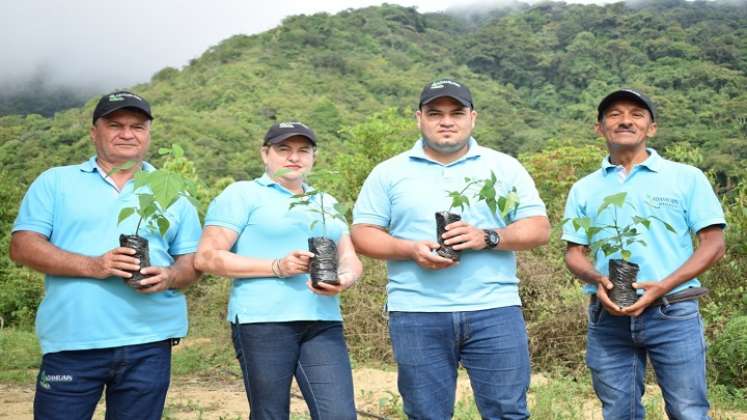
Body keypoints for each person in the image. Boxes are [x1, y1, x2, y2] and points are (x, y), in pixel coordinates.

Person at [351, 79, 550, 419]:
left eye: (456, 113)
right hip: (416, 312)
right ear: (419, 118)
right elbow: (363, 233)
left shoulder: (503, 167)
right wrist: (410, 249)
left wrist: (488, 237)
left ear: (472, 118)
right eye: (435, 113)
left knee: (507, 411)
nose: (446, 121)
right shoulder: (389, 172)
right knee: (426, 413)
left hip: (495, 309)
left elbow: (538, 228)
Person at [10, 90, 202, 420]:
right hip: (72, 340)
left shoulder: (173, 191)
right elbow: (23, 245)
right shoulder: (56, 182)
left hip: (149, 341)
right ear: (94, 132)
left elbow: (191, 263)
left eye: (137, 126)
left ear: (148, 134)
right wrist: (94, 265)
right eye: (115, 125)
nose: (127, 134)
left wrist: (169, 276)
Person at [562, 88, 726, 419]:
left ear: (651, 127)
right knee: (619, 412)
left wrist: (662, 286)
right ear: (600, 128)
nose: (625, 121)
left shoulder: (686, 178)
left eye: (637, 114)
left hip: (673, 311)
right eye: (615, 114)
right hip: (607, 316)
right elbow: (574, 253)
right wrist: (598, 280)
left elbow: (714, 243)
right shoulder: (584, 188)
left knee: (688, 410)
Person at [194, 121, 362, 420]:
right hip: (263, 322)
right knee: (270, 413)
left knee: (338, 414)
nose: (293, 157)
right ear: (265, 154)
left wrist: (345, 278)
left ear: (314, 156)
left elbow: (349, 256)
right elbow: (206, 257)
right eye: (283, 149)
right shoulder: (242, 194)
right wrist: (277, 266)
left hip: (322, 321)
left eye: (303, 150)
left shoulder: (325, 202)